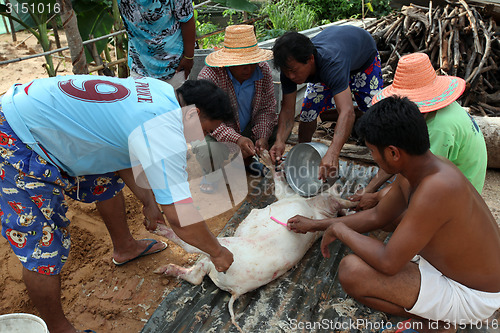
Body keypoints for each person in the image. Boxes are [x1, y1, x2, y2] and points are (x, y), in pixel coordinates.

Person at [0, 76, 234, 333]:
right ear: (194, 114)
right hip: (16, 137)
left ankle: (125, 247)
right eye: (208, 130)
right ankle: (58, 328)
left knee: (103, 178)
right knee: (42, 246)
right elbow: (180, 217)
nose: (204, 137)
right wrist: (217, 252)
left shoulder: (162, 92)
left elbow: (120, 147)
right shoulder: (164, 133)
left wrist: (148, 201)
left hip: (40, 112)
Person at [287, 96, 500, 328]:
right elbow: (378, 216)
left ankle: (437, 319)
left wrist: (340, 230)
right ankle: (436, 311)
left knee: (351, 271)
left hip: (473, 294)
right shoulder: (423, 167)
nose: (373, 158)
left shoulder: (436, 189)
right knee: (389, 218)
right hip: (455, 270)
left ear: (393, 153)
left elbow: (388, 262)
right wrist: (317, 225)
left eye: (372, 152)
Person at [351, 52, 487, 211]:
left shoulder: (439, 127)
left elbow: (420, 177)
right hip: (457, 181)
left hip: (460, 196)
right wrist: (369, 189)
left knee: (395, 212)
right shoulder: (439, 110)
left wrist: (375, 197)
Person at [269, 25, 383, 180]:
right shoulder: (289, 71)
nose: (291, 76)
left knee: (374, 114)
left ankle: (382, 161)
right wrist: (280, 140)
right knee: (308, 112)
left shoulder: (331, 63)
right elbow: (288, 110)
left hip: (363, 59)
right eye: (287, 71)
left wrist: (333, 152)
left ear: (310, 59)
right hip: (337, 52)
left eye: (294, 71)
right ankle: (303, 153)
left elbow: (347, 112)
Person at [195, 24, 277, 192]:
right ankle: (211, 173)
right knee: (208, 150)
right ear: (228, 62)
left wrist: (262, 137)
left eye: (251, 62)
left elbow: (266, 109)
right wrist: (237, 139)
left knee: (277, 130)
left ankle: (248, 159)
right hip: (214, 131)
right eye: (241, 63)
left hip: (246, 127)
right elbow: (209, 120)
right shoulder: (209, 76)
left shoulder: (263, 71)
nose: (247, 68)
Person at [118, 0, 196, 89]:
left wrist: (189, 57)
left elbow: (187, 18)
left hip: (174, 70)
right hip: (139, 68)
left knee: (177, 101)